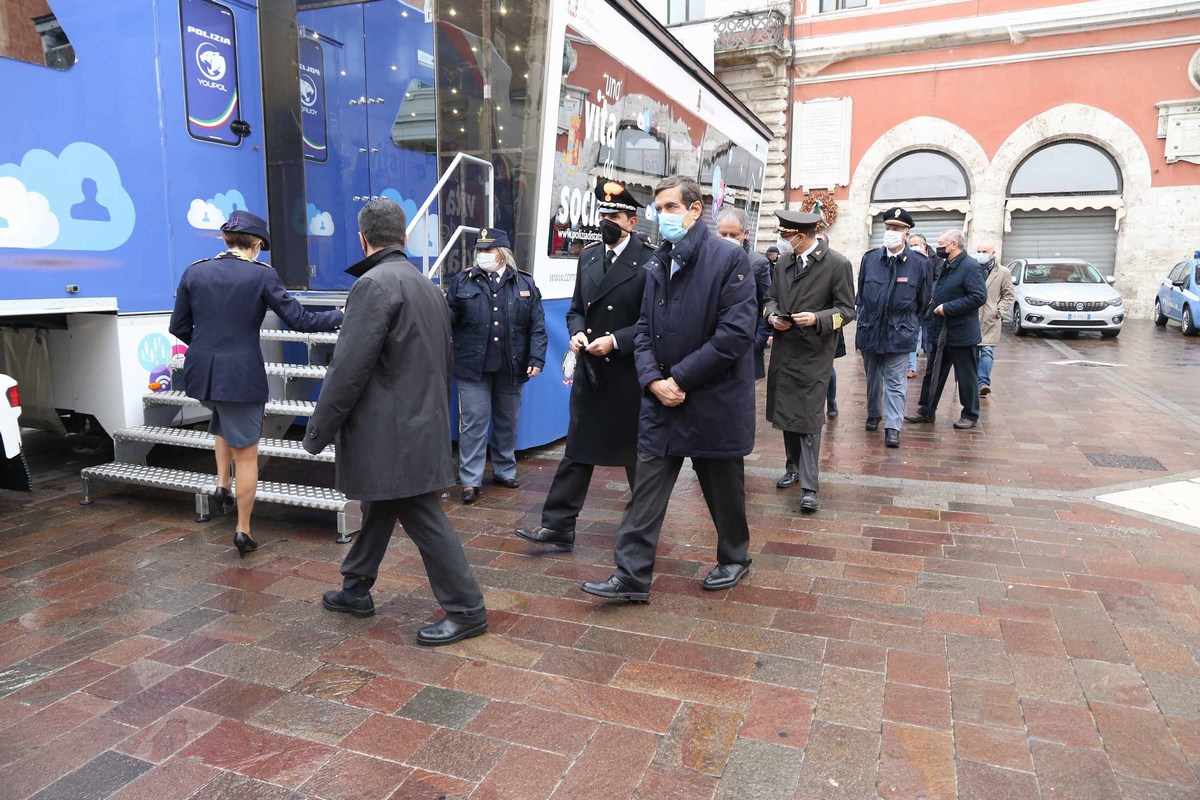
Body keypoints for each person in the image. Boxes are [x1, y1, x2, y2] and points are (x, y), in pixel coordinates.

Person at [305, 199, 487, 646]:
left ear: (363, 239)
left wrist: (317, 431)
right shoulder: (425, 285)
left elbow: (348, 368)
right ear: (404, 237)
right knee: (382, 506)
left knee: (421, 516)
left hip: (390, 431)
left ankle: (467, 609)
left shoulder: (373, 285)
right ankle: (355, 588)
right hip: (419, 423)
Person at [580, 175, 757, 602]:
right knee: (647, 491)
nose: (662, 217)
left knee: (722, 488)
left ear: (695, 210)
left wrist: (679, 378)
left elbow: (734, 335)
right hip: (662, 399)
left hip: (712, 400)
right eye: (659, 209)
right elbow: (643, 330)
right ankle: (631, 575)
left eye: (671, 208)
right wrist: (654, 380)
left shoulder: (729, 260)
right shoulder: (660, 261)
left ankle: (735, 556)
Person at [169, 210, 342, 558]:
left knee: (221, 420)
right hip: (240, 376)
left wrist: (206, 350)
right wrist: (340, 317)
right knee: (247, 455)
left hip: (201, 373)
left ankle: (221, 484)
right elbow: (299, 320)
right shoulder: (261, 276)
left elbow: (178, 326)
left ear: (227, 241)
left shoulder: (195, 270)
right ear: (257, 245)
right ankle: (243, 529)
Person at [515, 180, 651, 550]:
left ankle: (643, 529)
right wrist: (576, 333)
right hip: (591, 372)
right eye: (603, 214)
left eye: (616, 215)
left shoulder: (651, 261)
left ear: (632, 222)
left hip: (627, 373)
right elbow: (577, 309)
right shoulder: (589, 256)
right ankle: (558, 525)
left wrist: (617, 341)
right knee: (577, 450)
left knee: (637, 458)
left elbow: (652, 321)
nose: (607, 221)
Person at [447, 228, 547, 504]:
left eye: (488, 251)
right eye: (479, 250)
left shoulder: (524, 282)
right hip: (472, 366)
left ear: (502, 254)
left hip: (511, 365)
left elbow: (537, 326)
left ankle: (504, 470)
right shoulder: (462, 282)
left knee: (507, 422)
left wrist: (536, 358)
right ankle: (470, 480)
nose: (482, 255)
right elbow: (448, 320)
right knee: (473, 423)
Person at [764, 211, 855, 511]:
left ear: (800, 237)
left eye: (785, 236)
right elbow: (769, 299)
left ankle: (809, 487)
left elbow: (847, 311)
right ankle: (792, 468)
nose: (782, 241)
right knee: (787, 411)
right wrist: (771, 316)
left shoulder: (837, 264)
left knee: (809, 418)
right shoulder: (784, 263)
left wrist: (818, 318)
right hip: (785, 350)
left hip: (815, 354)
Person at [855, 207, 933, 449]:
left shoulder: (920, 264)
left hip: (900, 331)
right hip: (870, 328)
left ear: (906, 233)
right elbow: (861, 295)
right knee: (873, 378)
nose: (891, 232)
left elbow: (924, 301)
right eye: (888, 227)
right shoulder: (870, 259)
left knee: (896, 381)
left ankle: (893, 427)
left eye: (897, 228)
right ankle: (873, 414)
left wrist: (907, 323)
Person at [905, 229, 987, 429]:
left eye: (942, 243)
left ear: (953, 245)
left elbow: (978, 297)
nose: (939, 246)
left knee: (966, 375)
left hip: (961, 333)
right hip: (940, 331)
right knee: (933, 373)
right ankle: (926, 410)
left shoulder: (970, 266)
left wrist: (948, 308)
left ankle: (970, 414)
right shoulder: (946, 265)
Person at [717, 207, 772, 380]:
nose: (728, 239)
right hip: (713, 340)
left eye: (733, 235)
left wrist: (759, 340)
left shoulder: (758, 263)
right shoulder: (707, 258)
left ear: (745, 233)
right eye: (723, 234)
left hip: (744, 341)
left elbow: (767, 301)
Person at [975, 244, 1013, 397]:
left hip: (990, 319)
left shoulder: (1003, 272)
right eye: (979, 252)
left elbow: (1008, 294)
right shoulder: (971, 268)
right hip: (972, 317)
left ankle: (983, 382)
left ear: (993, 253)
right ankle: (973, 381)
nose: (981, 254)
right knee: (973, 352)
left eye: (985, 252)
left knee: (986, 350)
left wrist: (998, 311)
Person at [906, 233, 936, 378]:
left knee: (928, 339)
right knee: (914, 336)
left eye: (916, 244)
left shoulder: (935, 260)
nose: (913, 248)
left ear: (924, 245)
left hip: (930, 306)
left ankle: (931, 368)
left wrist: (931, 296)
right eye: (911, 245)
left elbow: (938, 279)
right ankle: (911, 367)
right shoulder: (906, 260)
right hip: (914, 306)